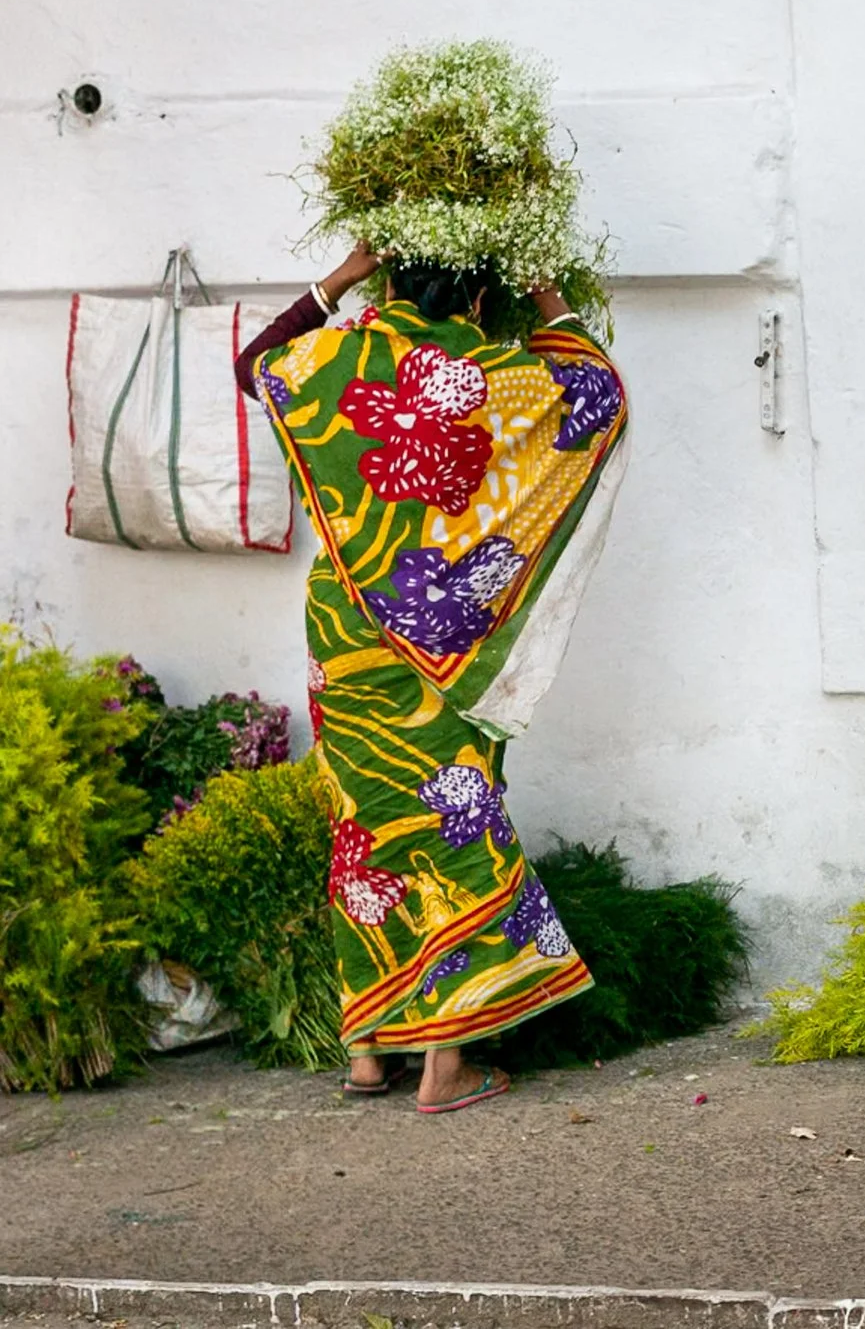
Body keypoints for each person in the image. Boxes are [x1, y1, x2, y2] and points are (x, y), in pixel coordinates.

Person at [235, 241, 630, 1113]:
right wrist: (548, 289)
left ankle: (369, 1049)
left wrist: (337, 279)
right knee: (453, 814)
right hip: (442, 642)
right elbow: (598, 394)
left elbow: (255, 364)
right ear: (483, 300)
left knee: (366, 817)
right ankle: (448, 1066)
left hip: (343, 627)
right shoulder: (492, 375)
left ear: (387, 280)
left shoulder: (342, 354)